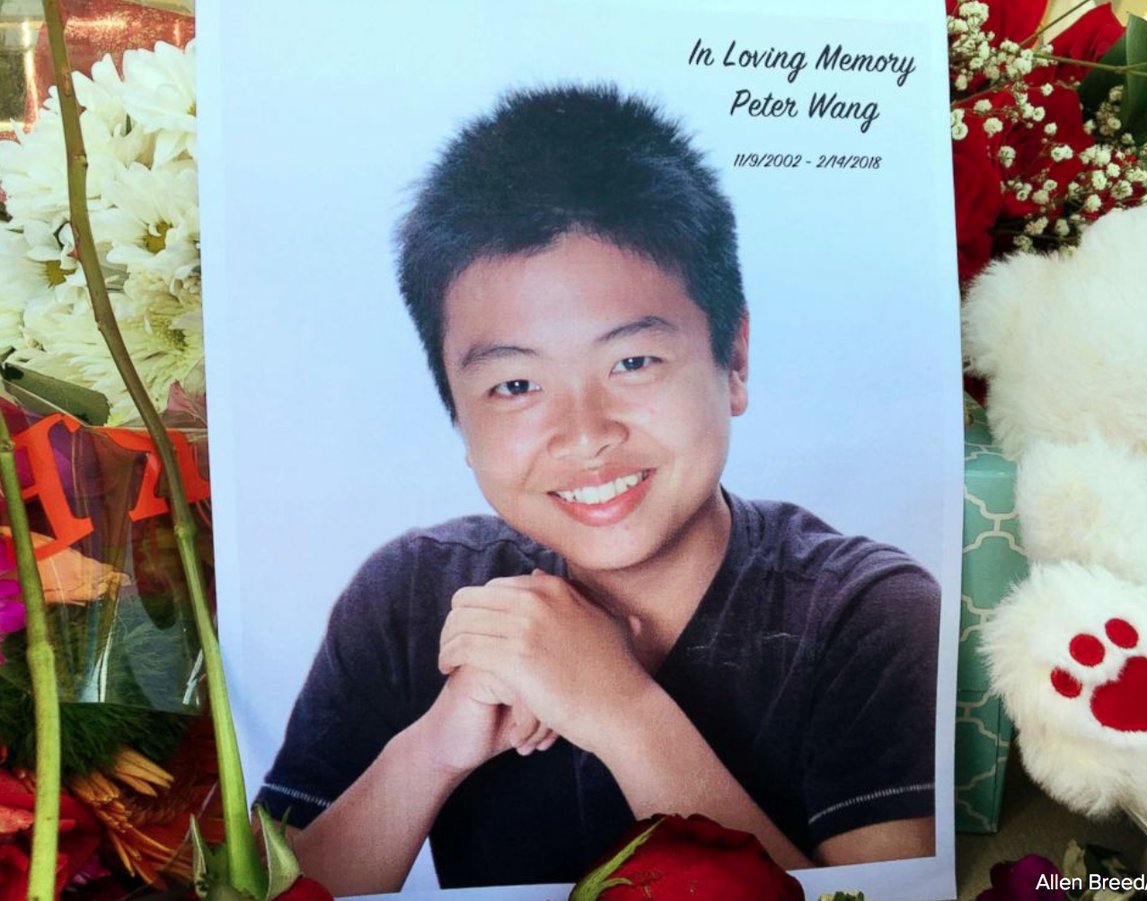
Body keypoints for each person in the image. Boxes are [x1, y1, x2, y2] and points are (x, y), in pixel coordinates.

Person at [255, 84, 939, 894]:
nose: (583, 434)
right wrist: (434, 746)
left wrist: (619, 707)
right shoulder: (405, 597)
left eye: (632, 362)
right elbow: (259, 886)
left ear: (734, 357)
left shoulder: (868, 614)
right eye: (515, 385)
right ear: (456, 412)